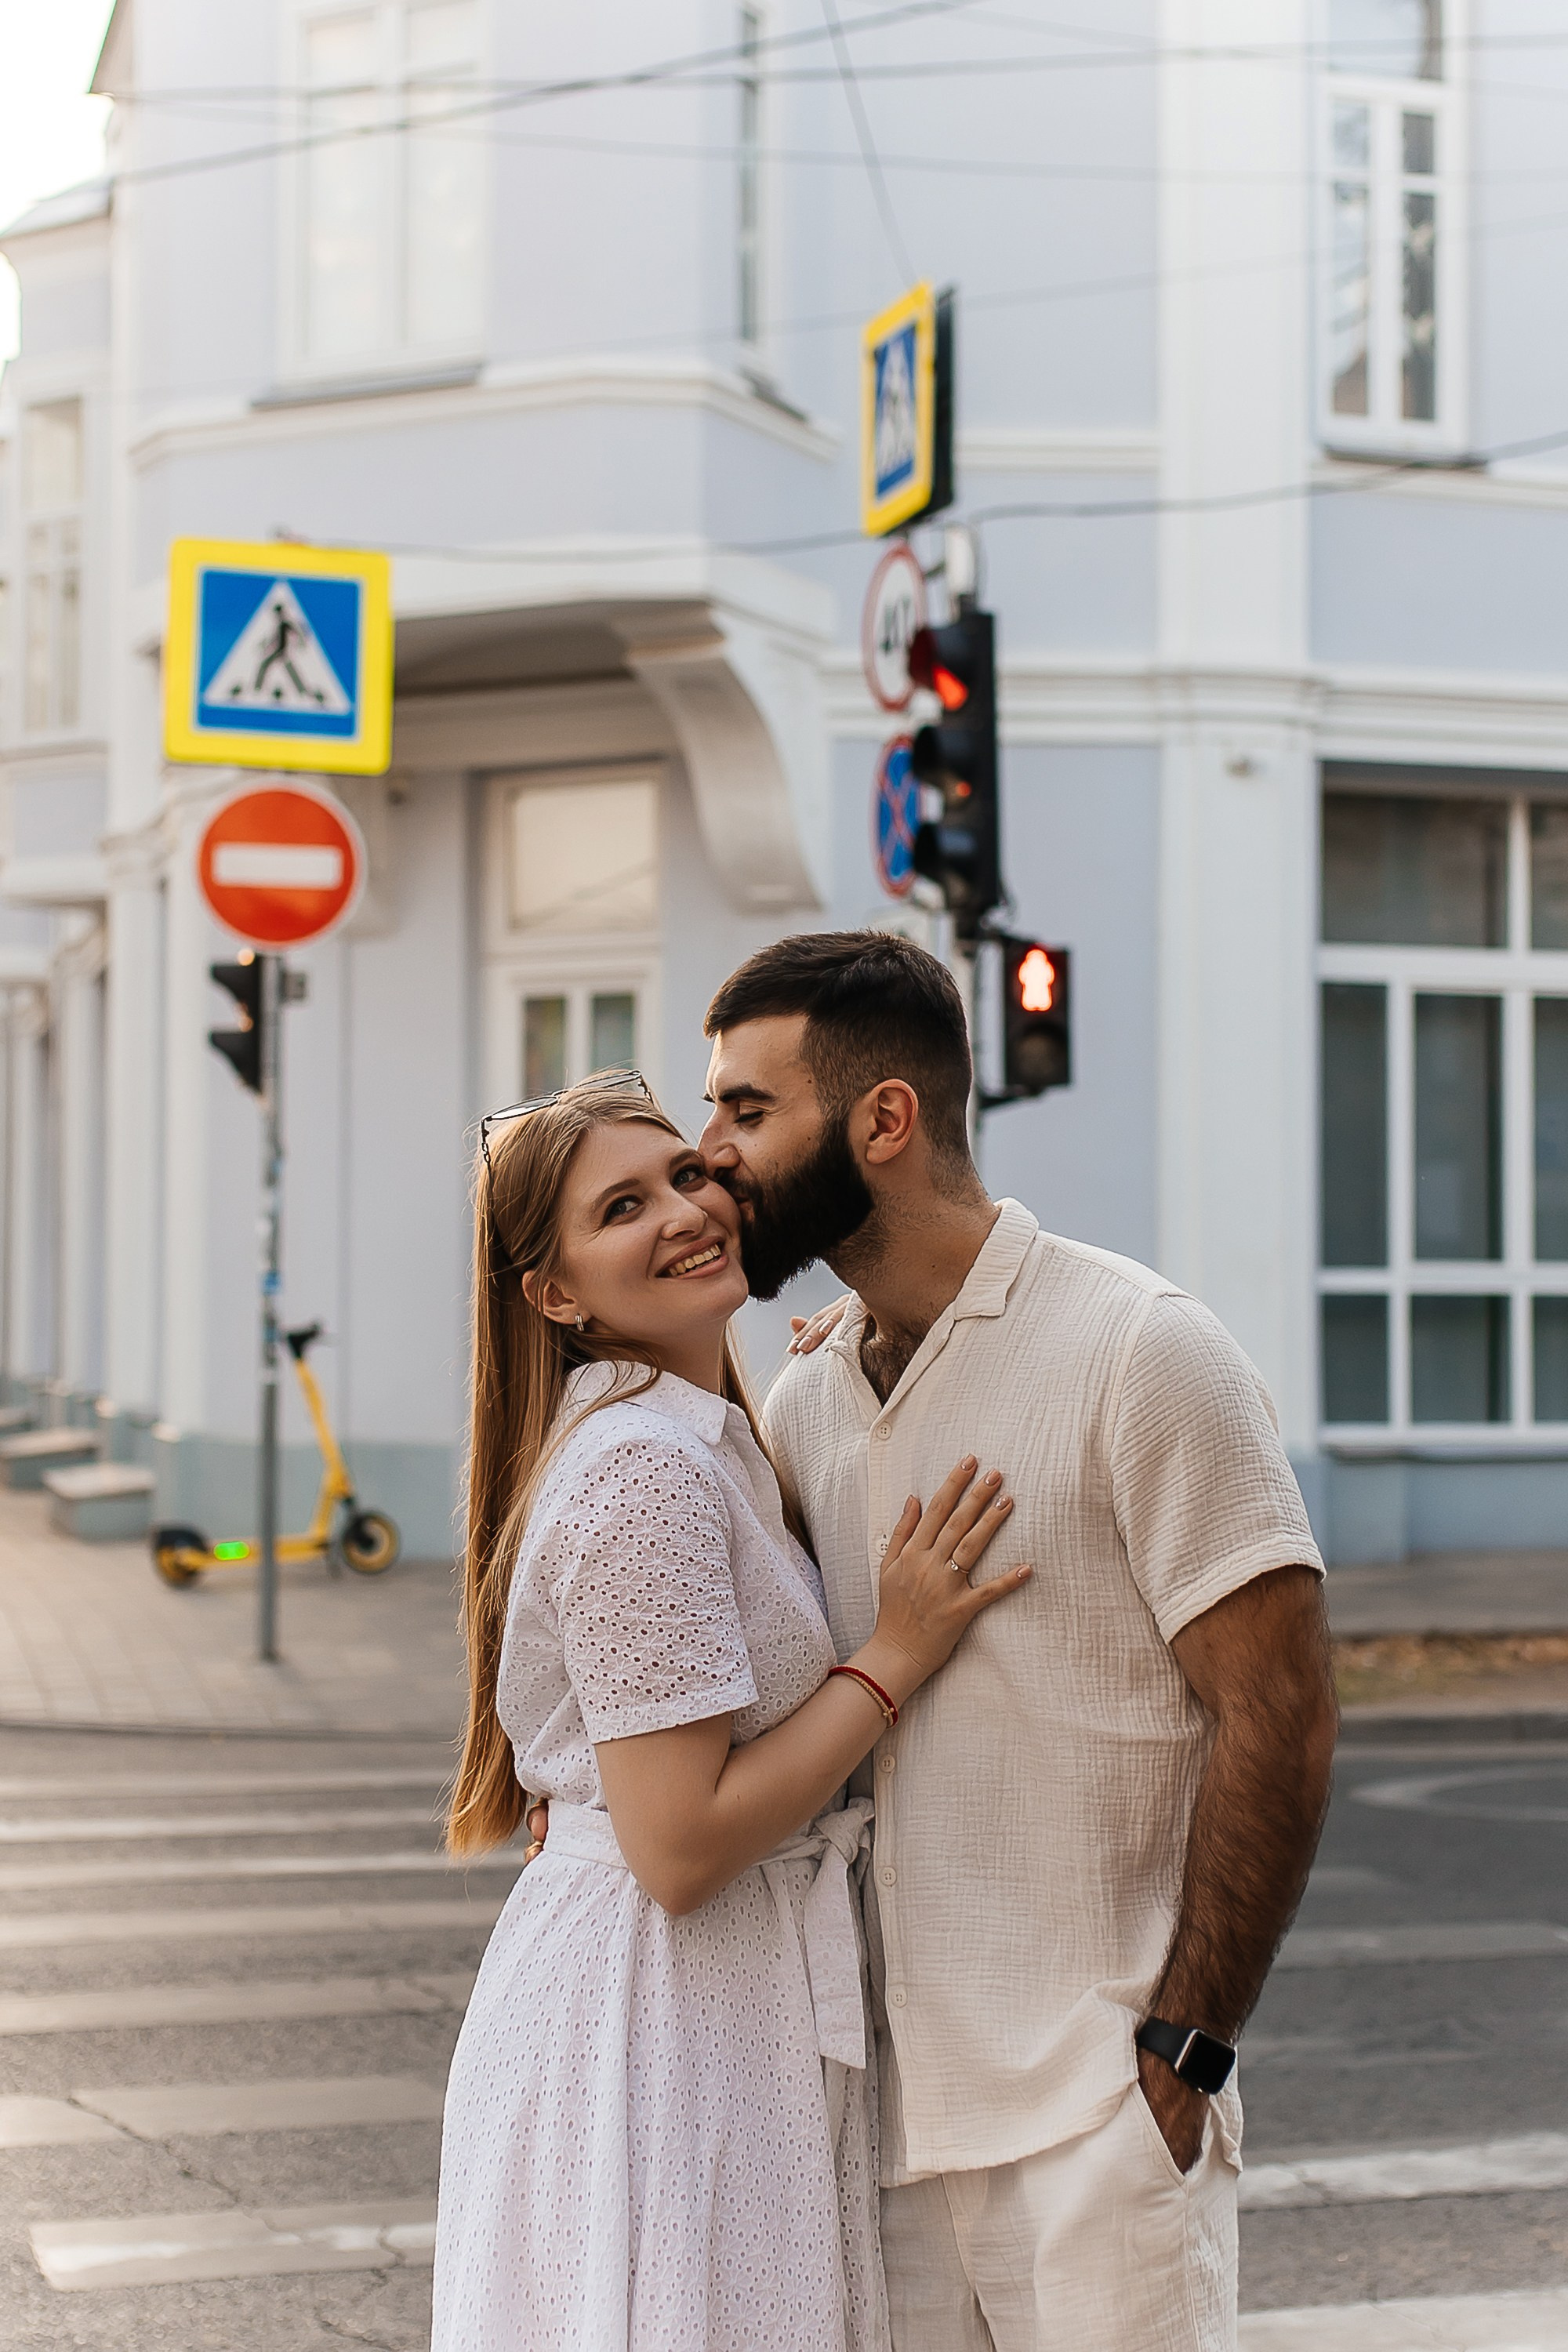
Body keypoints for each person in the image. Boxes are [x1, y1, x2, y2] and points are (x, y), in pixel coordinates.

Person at [694, 931, 1340, 2352]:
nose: (713, 1151)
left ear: (882, 1120)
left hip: (1095, 2119)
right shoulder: (807, 1403)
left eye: (747, 1110)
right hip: (884, 2136)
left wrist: (1182, 2055)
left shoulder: (1142, 1349)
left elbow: (1280, 1716)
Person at [430, 1073, 1031, 2352]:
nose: (685, 1212)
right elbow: (682, 1847)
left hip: (686, 2004)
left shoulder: (691, 1432)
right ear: (557, 1295)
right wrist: (894, 1657)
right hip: (656, 2020)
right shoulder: (644, 1471)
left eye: (687, 1174)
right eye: (622, 1207)